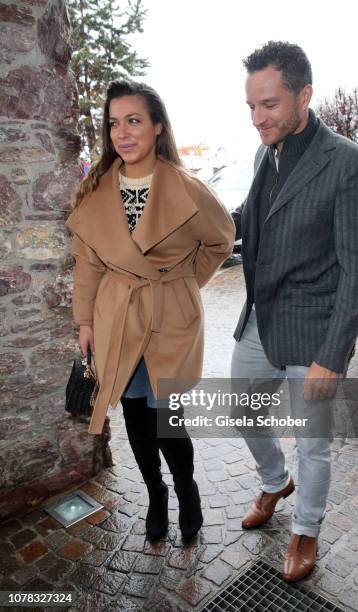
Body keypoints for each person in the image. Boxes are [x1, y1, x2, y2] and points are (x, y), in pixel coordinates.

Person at [230, 41, 358, 581]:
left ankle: (306, 530)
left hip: (315, 330)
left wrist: (331, 358)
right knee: (240, 412)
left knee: (312, 444)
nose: (257, 118)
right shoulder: (263, 153)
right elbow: (255, 217)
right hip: (261, 320)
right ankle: (275, 482)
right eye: (250, 106)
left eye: (268, 104)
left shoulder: (350, 164)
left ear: (304, 95)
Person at [66, 79, 235, 543]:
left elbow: (220, 240)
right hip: (117, 316)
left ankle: (186, 488)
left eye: (134, 120)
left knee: (168, 417)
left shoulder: (188, 189)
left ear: (158, 126)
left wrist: (183, 285)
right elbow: (88, 263)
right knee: (136, 414)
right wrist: (85, 322)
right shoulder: (95, 190)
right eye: (114, 123)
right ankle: (155, 494)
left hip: (169, 320)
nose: (122, 132)